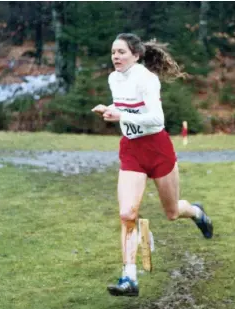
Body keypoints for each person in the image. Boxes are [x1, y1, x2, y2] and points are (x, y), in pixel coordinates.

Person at [91, 33, 213, 297]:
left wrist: (120, 115)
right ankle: (129, 278)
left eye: (121, 52)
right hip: (131, 150)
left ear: (136, 55)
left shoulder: (147, 79)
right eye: (113, 52)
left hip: (158, 149)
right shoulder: (113, 78)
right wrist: (109, 108)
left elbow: (156, 119)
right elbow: (128, 107)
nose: (115, 57)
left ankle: (196, 212)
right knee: (127, 214)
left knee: (172, 212)